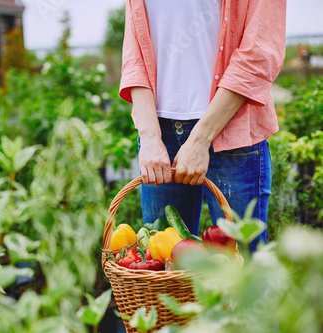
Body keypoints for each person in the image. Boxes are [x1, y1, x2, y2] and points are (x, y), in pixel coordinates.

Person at [119, 0, 287, 251]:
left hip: (232, 132)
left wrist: (200, 139)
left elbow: (258, 54)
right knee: (166, 275)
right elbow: (135, 55)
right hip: (159, 135)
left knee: (241, 272)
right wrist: (150, 136)